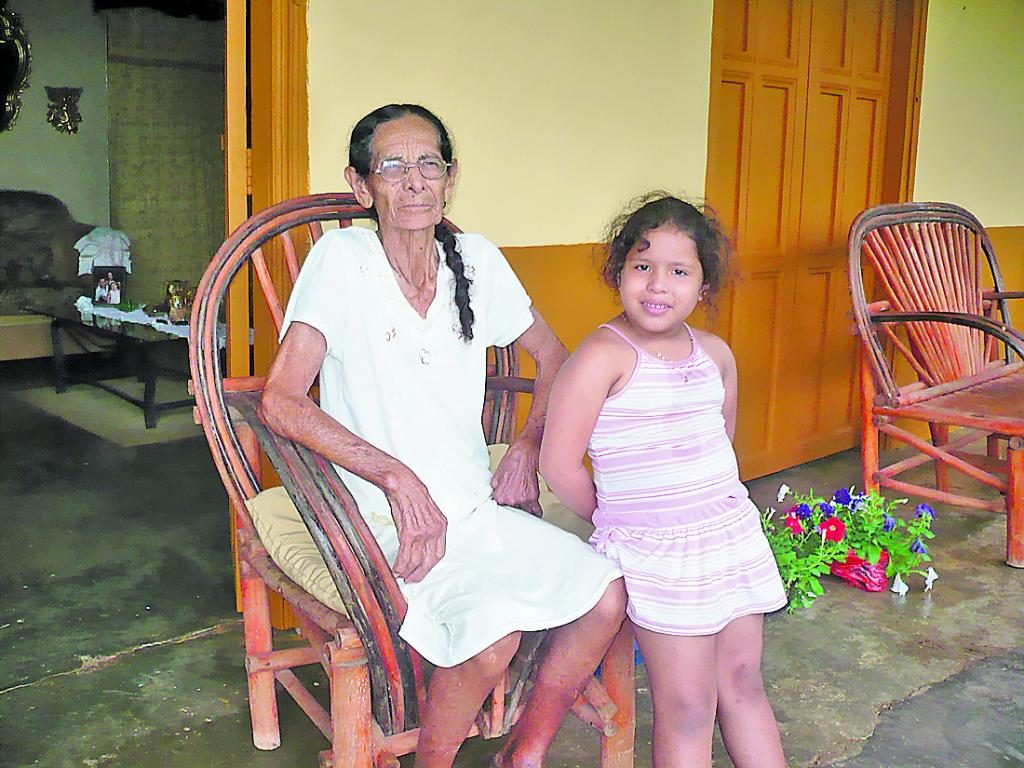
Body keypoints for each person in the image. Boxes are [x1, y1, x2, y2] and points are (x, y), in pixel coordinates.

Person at [258, 104, 626, 768]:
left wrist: (526, 447)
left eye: (429, 164)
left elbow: (556, 359)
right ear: (361, 185)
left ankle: (526, 751)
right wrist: (396, 477)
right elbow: (281, 401)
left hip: (472, 509)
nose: (414, 181)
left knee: (608, 595)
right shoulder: (341, 261)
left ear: (450, 179)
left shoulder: (475, 260)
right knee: (490, 642)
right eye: (392, 166)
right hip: (380, 520)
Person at [540, 193, 788, 768]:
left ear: (704, 285)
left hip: (728, 539)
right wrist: (620, 525)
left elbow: (720, 443)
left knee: (743, 682)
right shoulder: (602, 356)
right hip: (658, 555)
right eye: (642, 266)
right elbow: (558, 465)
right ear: (618, 271)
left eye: (679, 271)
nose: (657, 285)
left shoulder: (715, 355)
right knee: (688, 706)